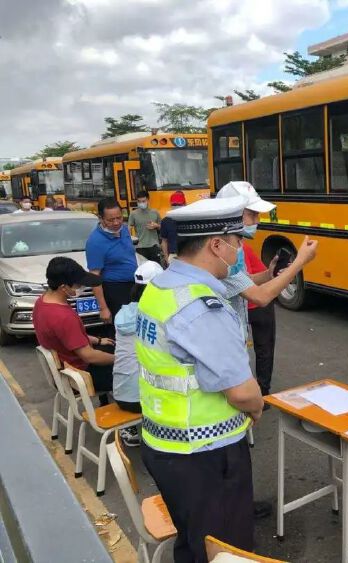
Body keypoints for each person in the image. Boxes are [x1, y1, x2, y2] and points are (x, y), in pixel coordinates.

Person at [136, 196, 318, 563]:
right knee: (224, 550)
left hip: (163, 443)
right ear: (216, 245)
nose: (240, 250)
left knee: (192, 541)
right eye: (236, 242)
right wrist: (257, 408)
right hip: (205, 454)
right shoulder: (203, 307)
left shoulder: (161, 288)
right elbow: (243, 392)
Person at [215, 182, 279, 397]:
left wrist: (267, 275)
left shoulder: (238, 247)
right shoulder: (223, 254)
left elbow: (244, 280)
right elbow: (259, 296)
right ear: (233, 214)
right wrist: (298, 264)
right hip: (226, 341)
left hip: (236, 333)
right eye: (252, 215)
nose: (257, 221)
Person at [33, 257, 115, 402]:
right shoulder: (63, 317)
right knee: (133, 368)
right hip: (81, 375)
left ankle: (105, 404)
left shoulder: (42, 302)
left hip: (66, 368)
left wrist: (98, 340)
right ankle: (128, 416)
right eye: (79, 285)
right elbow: (89, 356)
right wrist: (120, 360)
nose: (82, 288)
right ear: (64, 287)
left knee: (112, 346)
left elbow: (66, 337)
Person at [112, 261, 164, 447]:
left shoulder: (122, 313)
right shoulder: (156, 314)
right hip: (144, 399)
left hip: (120, 393)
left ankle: (130, 428)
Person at [86, 198, 138, 331]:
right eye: (110, 220)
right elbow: (94, 277)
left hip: (133, 286)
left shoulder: (124, 229)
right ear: (101, 218)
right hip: (115, 290)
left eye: (119, 218)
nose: (116, 222)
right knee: (123, 330)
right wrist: (103, 308)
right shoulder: (95, 242)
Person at [129, 190, 162, 262]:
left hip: (154, 246)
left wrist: (156, 226)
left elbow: (162, 228)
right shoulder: (133, 214)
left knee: (157, 269)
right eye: (139, 201)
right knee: (143, 271)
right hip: (140, 247)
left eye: (143, 201)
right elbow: (128, 229)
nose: (141, 203)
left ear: (148, 200)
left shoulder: (155, 212)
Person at [159, 191, 185, 266]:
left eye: (178, 204)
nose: (176, 206)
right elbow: (164, 241)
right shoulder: (165, 221)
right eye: (174, 204)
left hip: (188, 256)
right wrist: (167, 258)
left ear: (184, 204)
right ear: (171, 205)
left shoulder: (189, 219)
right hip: (173, 256)